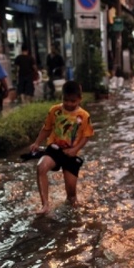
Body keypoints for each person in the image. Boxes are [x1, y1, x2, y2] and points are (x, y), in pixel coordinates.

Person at [29, 80, 94, 214]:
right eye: (66, 100)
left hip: (71, 154)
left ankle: (73, 217)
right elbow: (46, 128)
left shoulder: (84, 116)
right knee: (41, 167)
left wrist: (75, 150)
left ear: (79, 99)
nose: (69, 104)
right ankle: (45, 205)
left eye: (72, 101)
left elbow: (86, 136)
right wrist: (37, 142)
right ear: (62, 97)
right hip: (54, 149)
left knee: (71, 197)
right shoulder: (55, 111)